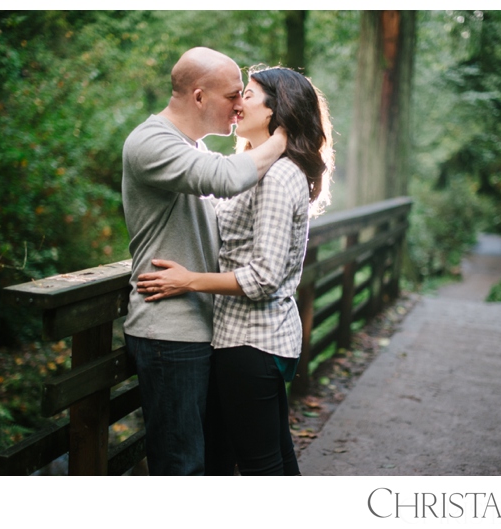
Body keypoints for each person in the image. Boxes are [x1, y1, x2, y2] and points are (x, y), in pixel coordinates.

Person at [137, 65, 334, 475]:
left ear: (276, 110)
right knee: (274, 459)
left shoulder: (280, 176)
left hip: (252, 343)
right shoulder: (258, 170)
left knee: (261, 467)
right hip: (244, 341)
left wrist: (188, 280)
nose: (238, 102)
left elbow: (263, 276)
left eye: (248, 94)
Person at [121, 48, 287, 476]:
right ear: (198, 97)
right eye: (233, 94)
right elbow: (229, 178)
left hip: (198, 327)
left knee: (210, 462)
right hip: (169, 329)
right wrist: (287, 136)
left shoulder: (187, 147)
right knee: (182, 467)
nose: (239, 104)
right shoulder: (151, 141)